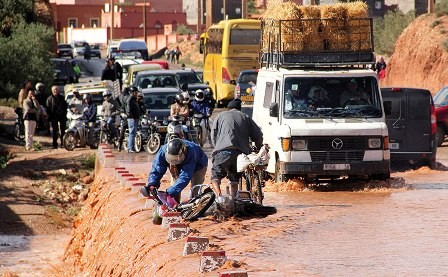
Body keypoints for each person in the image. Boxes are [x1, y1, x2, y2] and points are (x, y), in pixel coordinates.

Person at [211, 98, 263, 198]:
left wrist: (217, 147)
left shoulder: (220, 116)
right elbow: (258, 135)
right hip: (240, 154)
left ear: (228, 108)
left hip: (222, 152)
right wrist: (259, 147)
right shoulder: (245, 117)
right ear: (239, 109)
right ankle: (234, 198)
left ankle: (219, 196)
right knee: (234, 179)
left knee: (215, 176)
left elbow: (213, 135)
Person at [140, 138, 208, 206]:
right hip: (177, 162)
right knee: (175, 185)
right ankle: (175, 204)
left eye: (175, 159)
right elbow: (157, 169)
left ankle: (195, 206)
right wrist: (152, 184)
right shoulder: (163, 151)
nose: (174, 161)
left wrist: (170, 192)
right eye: (172, 159)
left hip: (199, 165)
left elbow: (185, 176)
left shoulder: (191, 152)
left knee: (195, 188)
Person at [125, 87, 141, 153]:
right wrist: (132, 116)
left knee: (133, 133)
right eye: (136, 92)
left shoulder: (134, 99)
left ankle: (132, 147)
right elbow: (128, 109)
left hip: (135, 118)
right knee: (132, 133)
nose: (137, 93)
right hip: (132, 118)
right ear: (133, 92)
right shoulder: (130, 99)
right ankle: (130, 148)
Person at [116, 87, 130, 152]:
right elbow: (122, 107)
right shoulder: (125, 99)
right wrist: (123, 113)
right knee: (123, 129)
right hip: (126, 117)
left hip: (133, 117)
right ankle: (119, 144)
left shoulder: (133, 100)